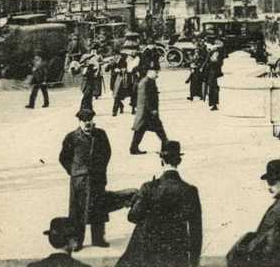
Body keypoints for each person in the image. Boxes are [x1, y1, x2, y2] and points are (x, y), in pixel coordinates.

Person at [117, 141, 202, 267]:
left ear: (161, 160)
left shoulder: (149, 187)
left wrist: (138, 200)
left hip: (147, 255)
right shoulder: (190, 190)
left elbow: (133, 217)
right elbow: (196, 231)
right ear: (179, 161)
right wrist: (194, 263)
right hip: (176, 255)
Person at [59, 108, 112, 249]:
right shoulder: (72, 137)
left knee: (98, 207)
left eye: (90, 120)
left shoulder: (101, 135)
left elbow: (107, 153)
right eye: (84, 120)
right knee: (78, 210)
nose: (87, 123)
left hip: (96, 178)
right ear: (79, 121)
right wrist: (74, 172)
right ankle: (77, 240)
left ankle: (98, 238)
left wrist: (100, 170)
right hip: (79, 181)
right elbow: (64, 158)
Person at [131, 69, 169, 155]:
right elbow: (146, 98)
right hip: (148, 112)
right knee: (159, 129)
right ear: (150, 72)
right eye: (156, 73)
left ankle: (133, 148)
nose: (157, 75)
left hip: (146, 112)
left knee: (140, 130)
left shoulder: (147, 81)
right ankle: (165, 147)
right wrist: (152, 109)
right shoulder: (146, 82)